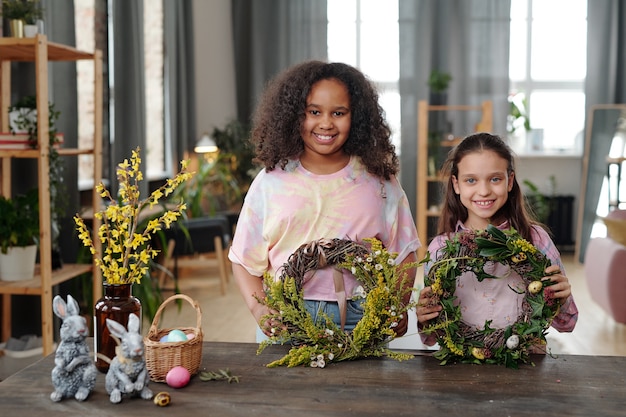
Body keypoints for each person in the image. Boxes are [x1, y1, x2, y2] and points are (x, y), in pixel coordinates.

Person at [228, 60, 421, 340]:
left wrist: (398, 305)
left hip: (363, 315)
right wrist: (260, 311)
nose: (326, 123)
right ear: (295, 115)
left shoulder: (379, 180)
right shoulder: (270, 182)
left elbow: (405, 254)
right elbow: (244, 260)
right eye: (314, 111)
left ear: (356, 117)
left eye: (339, 112)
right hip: (286, 315)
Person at [416, 132, 578, 346]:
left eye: (495, 179)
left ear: (509, 181)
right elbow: (430, 338)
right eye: (471, 180)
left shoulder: (535, 240)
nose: (483, 191)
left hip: (524, 363)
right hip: (461, 366)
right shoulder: (441, 249)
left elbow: (566, 324)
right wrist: (424, 316)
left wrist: (561, 298)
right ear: (456, 184)